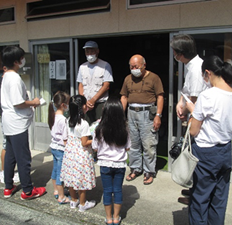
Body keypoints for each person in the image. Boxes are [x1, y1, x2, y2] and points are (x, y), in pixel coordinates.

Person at [185, 56, 232, 225]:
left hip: (206, 153)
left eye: (204, 76)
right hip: (225, 150)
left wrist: (192, 111)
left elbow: (194, 131)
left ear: (208, 73)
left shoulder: (207, 95)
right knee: (219, 200)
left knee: (199, 199)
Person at [0, 46, 46, 199]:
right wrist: (34, 102)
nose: (23, 60)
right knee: (23, 157)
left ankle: (8, 186)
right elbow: (18, 103)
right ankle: (27, 190)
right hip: (16, 123)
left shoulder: (6, 75)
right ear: (16, 61)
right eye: (21, 58)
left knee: (11, 156)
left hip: (9, 121)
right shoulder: (13, 78)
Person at [170, 34, 206, 204]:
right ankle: (193, 189)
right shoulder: (190, 66)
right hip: (191, 114)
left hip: (197, 120)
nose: (174, 56)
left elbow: (196, 99)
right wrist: (180, 103)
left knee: (194, 156)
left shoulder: (197, 68)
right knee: (191, 152)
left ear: (181, 53)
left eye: (175, 52)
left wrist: (185, 109)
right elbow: (186, 91)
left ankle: (196, 194)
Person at [120, 54, 164, 185]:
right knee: (133, 144)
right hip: (131, 113)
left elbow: (160, 97)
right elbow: (124, 97)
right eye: (131, 67)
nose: (134, 69)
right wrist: (120, 114)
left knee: (148, 144)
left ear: (144, 65)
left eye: (136, 66)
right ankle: (135, 168)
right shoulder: (128, 79)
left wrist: (158, 115)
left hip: (147, 113)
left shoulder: (154, 78)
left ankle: (149, 171)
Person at [92, 97, 131, 225]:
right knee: (118, 190)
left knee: (107, 191)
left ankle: (109, 219)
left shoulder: (99, 128)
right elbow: (128, 147)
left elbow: (94, 147)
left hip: (104, 164)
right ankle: (116, 217)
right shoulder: (125, 128)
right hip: (119, 164)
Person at [60, 95, 96, 212]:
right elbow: (85, 142)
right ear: (83, 107)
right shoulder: (84, 124)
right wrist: (96, 139)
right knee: (81, 179)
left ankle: (73, 200)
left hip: (70, 153)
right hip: (81, 154)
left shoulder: (68, 120)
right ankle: (82, 203)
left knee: (71, 178)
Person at [76, 40, 114, 124]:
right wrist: (84, 101)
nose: (89, 54)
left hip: (100, 103)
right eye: (87, 51)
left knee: (100, 126)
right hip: (86, 103)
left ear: (97, 51)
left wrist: (93, 100)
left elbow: (106, 85)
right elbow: (80, 85)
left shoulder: (105, 65)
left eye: (92, 51)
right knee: (86, 126)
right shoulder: (82, 67)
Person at [0, 65, 19, 184]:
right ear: (4, 68)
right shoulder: (2, 82)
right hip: (7, 119)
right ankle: (4, 172)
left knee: (10, 147)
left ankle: (8, 172)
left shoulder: (7, 80)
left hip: (10, 119)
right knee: (7, 146)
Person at [48, 91, 70, 203]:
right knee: (60, 174)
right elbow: (65, 138)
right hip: (61, 149)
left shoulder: (53, 116)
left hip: (53, 147)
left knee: (55, 169)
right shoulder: (63, 119)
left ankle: (56, 191)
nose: (68, 106)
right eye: (68, 103)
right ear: (63, 105)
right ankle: (61, 197)